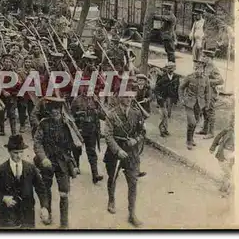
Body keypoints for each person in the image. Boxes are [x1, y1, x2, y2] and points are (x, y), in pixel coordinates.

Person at [33, 96, 78, 228]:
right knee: (45, 187)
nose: (55, 111)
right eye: (53, 109)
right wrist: (43, 158)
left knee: (64, 192)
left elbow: (74, 144)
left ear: (61, 110)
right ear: (49, 110)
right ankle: (48, 214)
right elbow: (37, 143)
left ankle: (64, 223)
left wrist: (73, 164)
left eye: (58, 109)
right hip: (47, 161)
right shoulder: (43, 124)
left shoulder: (67, 124)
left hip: (63, 162)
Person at [0, 134, 49, 229]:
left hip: (27, 213)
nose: (19, 156)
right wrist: (3, 198)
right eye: (15, 153)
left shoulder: (30, 168)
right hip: (6, 214)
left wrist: (44, 206)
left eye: (21, 152)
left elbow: (41, 188)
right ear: (9, 151)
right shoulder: (0, 170)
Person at [103, 95, 145, 227]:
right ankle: (111, 199)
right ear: (120, 97)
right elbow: (108, 136)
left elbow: (142, 132)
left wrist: (136, 140)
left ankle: (132, 214)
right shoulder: (111, 114)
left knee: (133, 182)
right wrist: (117, 150)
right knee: (112, 178)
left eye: (131, 97)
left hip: (131, 152)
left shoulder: (136, 113)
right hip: (115, 152)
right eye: (126, 97)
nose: (129, 99)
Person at [70, 79, 105, 184]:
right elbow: (71, 116)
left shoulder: (95, 100)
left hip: (92, 130)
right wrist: (78, 116)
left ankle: (95, 175)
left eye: (89, 86)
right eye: (84, 86)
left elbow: (103, 116)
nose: (86, 88)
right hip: (80, 129)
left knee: (92, 152)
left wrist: (96, 111)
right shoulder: (76, 100)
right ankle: (76, 167)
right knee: (76, 150)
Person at [179, 59, 211, 150]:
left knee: (195, 122)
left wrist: (207, 103)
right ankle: (188, 141)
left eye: (201, 68)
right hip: (189, 103)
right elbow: (181, 88)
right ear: (194, 68)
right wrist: (182, 99)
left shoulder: (206, 79)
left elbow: (207, 92)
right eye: (197, 68)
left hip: (199, 104)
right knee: (191, 122)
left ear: (203, 69)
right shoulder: (189, 77)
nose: (199, 70)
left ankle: (191, 139)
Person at [199, 49, 224, 139]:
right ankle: (205, 130)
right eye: (203, 56)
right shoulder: (205, 66)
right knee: (205, 110)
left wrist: (208, 81)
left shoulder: (213, 67)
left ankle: (211, 132)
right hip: (205, 92)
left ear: (209, 58)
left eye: (204, 56)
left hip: (211, 93)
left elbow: (221, 80)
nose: (202, 58)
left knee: (210, 111)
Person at [209, 113, 234, 196]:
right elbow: (218, 137)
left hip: (233, 154)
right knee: (227, 171)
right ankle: (226, 187)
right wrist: (213, 147)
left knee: (228, 171)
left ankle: (225, 187)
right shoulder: (227, 130)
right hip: (223, 152)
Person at [154, 62, 180, 137]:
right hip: (163, 98)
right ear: (166, 69)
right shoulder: (162, 77)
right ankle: (161, 130)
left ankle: (165, 129)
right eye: (169, 68)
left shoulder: (176, 77)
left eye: (172, 68)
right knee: (163, 114)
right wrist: (158, 97)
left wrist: (176, 99)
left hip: (170, 98)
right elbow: (156, 88)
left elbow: (176, 89)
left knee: (167, 115)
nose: (170, 70)